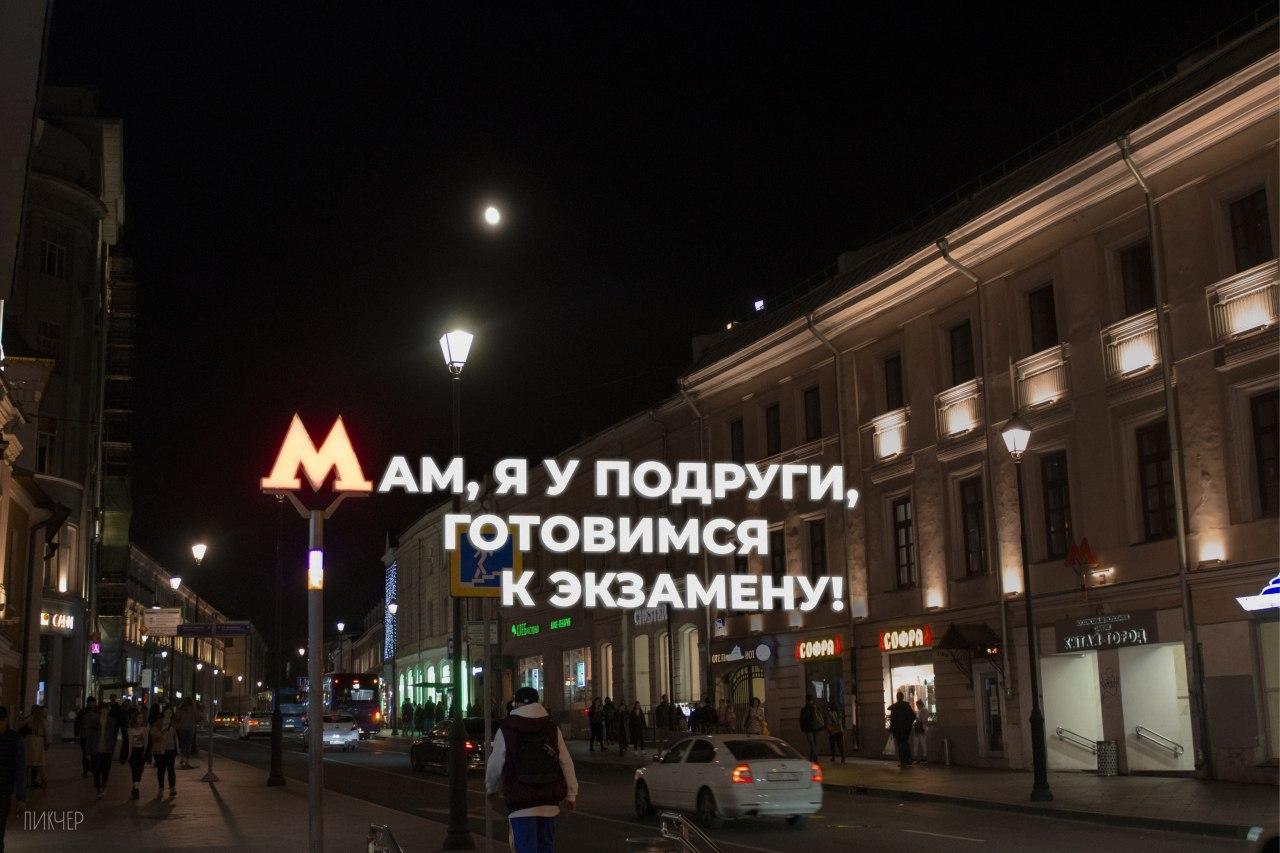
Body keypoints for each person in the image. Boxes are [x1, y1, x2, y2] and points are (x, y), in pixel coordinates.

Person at [485, 686, 577, 853]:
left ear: (516, 704)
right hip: (549, 801)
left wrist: (490, 788)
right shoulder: (551, 728)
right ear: (538, 702)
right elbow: (565, 762)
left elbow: (496, 762)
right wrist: (571, 795)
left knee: (526, 848)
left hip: (520, 802)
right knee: (546, 847)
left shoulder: (507, 729)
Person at [0, 707, 27, 851]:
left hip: (4, 790)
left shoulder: (15, 739)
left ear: (5, 721)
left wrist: (21, 797)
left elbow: (20, 769)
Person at [83, 696, 120, 797]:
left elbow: (114, 736)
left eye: (106, 709)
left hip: (107, 749)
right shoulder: (94, 721)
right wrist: (88, 751)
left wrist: (112, 747)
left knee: (106, 769)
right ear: (100, 710)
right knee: (96, 769)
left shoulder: (112, 721)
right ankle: (98, 787)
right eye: (103, 709)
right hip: (96, 749)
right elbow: (89, 737)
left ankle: (104, 783)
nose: (105, 711)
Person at [150, 707, 178, 798]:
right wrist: (163, 730)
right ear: (164, 713)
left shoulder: (173, 723)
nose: (169, 714)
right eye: (167, 712)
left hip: (170, 749)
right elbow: (153, 734)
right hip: (159, 750)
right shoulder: (159, 722)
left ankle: (172, 788)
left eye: (170, 713)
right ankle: (161, 789)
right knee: (161, 770)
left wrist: (178, 748)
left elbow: (176, 736)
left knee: (171, 770)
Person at [125, 708, 150, 800]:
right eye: (139, 718)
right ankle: (136, 788)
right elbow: (130, 742)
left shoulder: (145, 729)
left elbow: (146, 742)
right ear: (135, 719)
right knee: (135, 770)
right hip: (134, 751)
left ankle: (135, 786)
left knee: (140, 770)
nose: (140, 719)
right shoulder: (130, 730)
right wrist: (129, 754)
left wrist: (145, 753)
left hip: (141, 751)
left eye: (142, 718)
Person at [888, 691, 916, 769]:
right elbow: (913, 716)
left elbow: (892, 720)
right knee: (905, 744)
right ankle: (908, 760)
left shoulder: (895, 707)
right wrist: (908, 724)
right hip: (906, 730)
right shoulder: (906, 706)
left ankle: (903, 761)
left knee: (900, 745)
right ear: (903, 697)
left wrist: (892, 728)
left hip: (897, 730)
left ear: (897, 697)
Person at [20, 706, 46, 789]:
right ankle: (42, 780)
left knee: (28, 761)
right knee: (39, 762)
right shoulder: (43, 720)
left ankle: (25, 781)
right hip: (39, 740)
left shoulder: (30, 718)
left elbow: (20, 724)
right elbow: (46, 728)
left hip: (30, 740)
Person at [799, 694, 826, 763]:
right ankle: (813, 759)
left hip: (808, 729)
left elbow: (802, 720)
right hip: (816, 728)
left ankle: (814, 759)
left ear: (806, 700)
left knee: (812, 744)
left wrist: (802, 728)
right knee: (814, 744)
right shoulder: (816, 707)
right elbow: (820, 717)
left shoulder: (804, 709)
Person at [175, 697, 197, 769]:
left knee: (182, 744)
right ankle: (187, 761)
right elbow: (197, 718)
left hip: (182, 728)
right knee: (188, 744)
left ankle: (182, 759)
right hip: (191, 728)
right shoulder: (193, 709)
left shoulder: (180, 708)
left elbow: (177, 717)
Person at [75, 697, 95, 776]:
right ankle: (87, 769)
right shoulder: (83, 712)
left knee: (90, 753)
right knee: (86, 753)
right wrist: (77, 734)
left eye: (93, 702)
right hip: (86, 735)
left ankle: (89, 769)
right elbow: (77, 723)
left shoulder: (94, 711)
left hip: (91, 735)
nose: (93, 704)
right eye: (92, 702)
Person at [911, 699, 929, 764]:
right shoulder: (922, 710)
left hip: (921, 728)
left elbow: (922, 720)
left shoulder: (923, 710)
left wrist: (917, 720)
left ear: (920, 704)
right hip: (920, 728)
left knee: (921, 743)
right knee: (919, 743)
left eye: (917, 705)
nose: (917, 706)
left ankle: (923, 758)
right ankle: (920, 757)